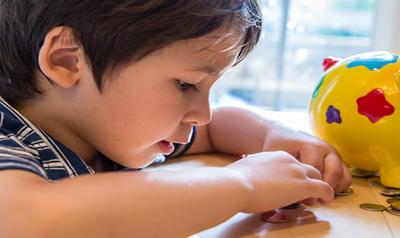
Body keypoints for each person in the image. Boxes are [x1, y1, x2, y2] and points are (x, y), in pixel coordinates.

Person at [0, 0, 351, 237]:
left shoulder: (103, 130)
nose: (203, 113)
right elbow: (28, 218)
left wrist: (273, 136)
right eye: (186, 84)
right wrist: (242, 185)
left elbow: (214, 129)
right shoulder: (8, 136)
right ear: (67, 61)